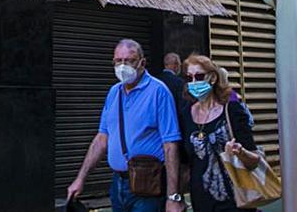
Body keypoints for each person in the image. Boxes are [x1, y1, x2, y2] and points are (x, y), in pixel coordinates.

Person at [67, 39, 185, 212]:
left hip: (148, 185)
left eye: (129, 60)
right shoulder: (114, 92)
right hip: (118, 184)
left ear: (142, 63)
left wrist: (173, 196)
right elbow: (102, 139)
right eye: (118, 61)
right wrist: (80, 178)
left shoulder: (158, 92)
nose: (123, 66)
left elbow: (170, 144)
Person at [178, 54, 260, 212]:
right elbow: (185, 162)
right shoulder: (186, 115)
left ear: (213, 78)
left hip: (235, 200)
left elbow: (254, 160)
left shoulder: (232, 110)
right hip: (201, 202)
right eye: (189, 78)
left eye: (199, 76)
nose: (194, 83)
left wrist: (240, 152)